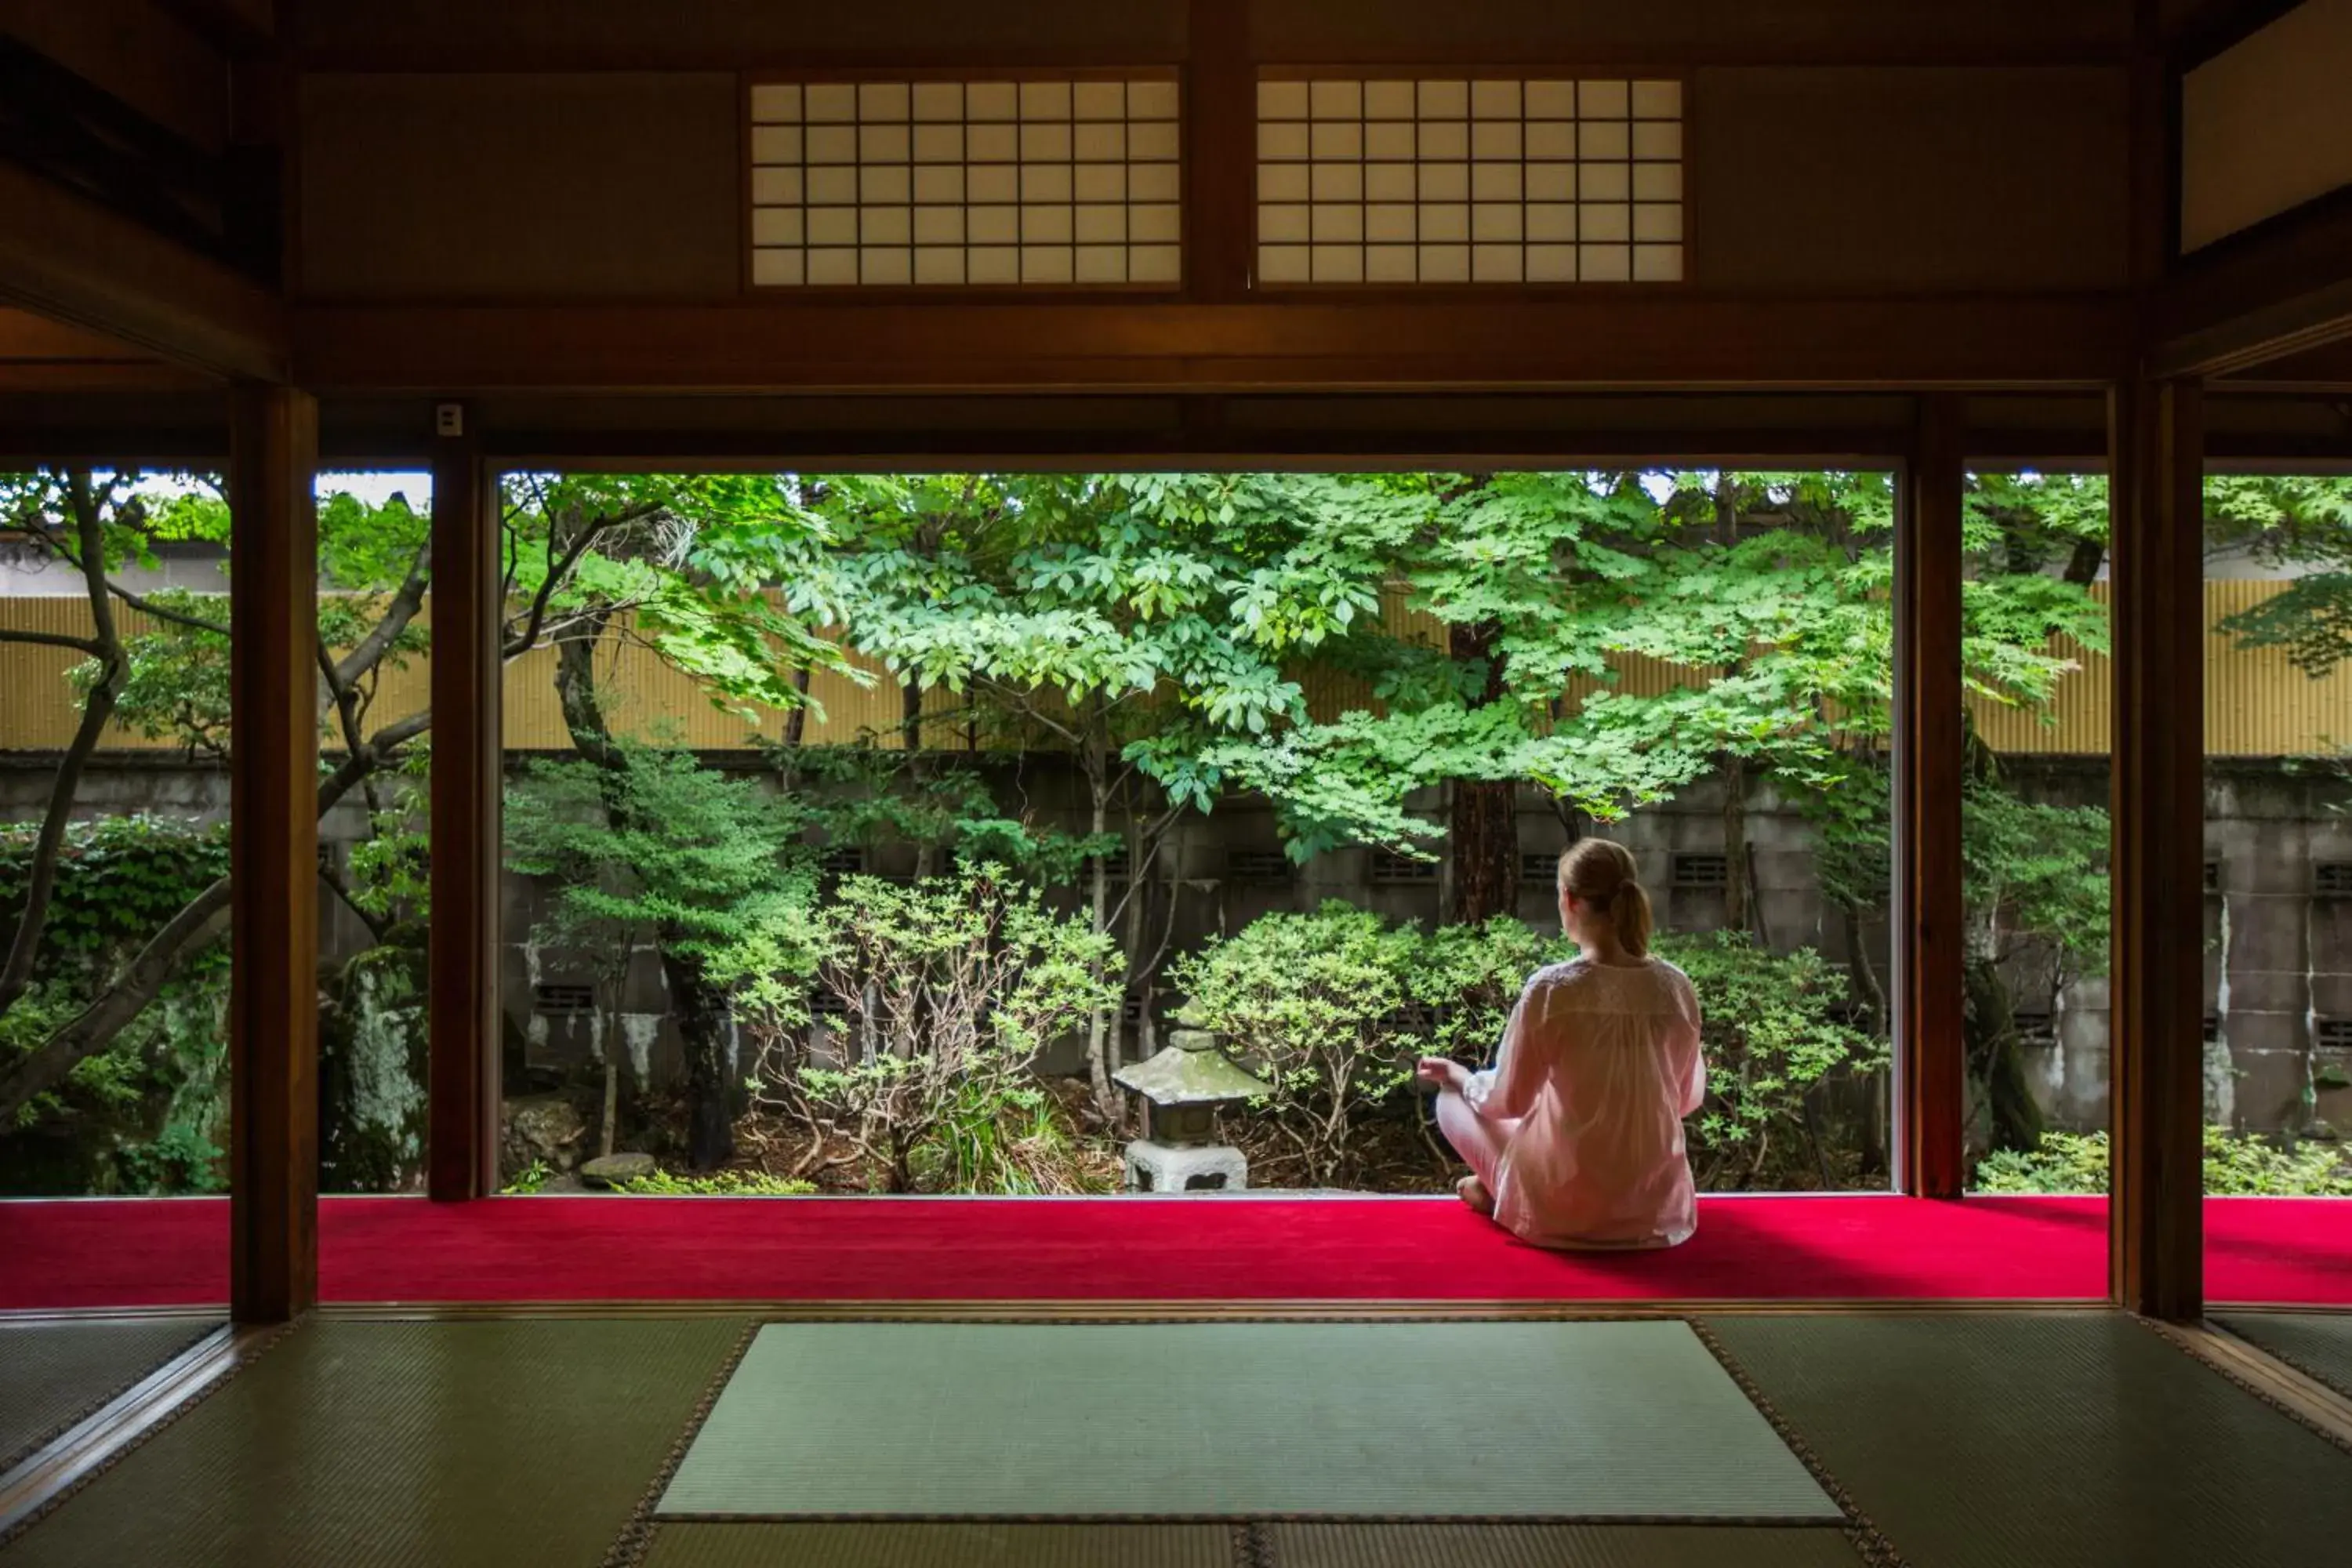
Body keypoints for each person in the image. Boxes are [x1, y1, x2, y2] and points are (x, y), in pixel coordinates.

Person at [1415, 839, 1706, 1249]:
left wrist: (1459, 1075)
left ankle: (1505, 1194)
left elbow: (1507, 1102)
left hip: (1562, 1211)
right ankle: (1499, 1191)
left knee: (1450, 1099)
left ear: (1568, 899)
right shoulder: (1675, 987)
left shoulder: (1553, 989)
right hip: (1653, 1210)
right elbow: (1685, 1098)